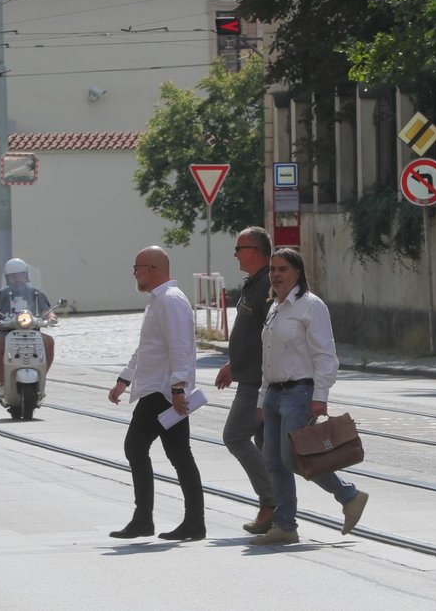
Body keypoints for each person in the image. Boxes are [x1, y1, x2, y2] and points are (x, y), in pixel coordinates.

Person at [252, 247, 369, 546]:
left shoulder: (310, 306)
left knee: (293, 459)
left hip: (299, 392)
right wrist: (261, 399)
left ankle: (349, 495)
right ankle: (285, 526)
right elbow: (269, 357)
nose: (276, 275)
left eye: (283, 269)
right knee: (273, 461)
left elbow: (325, 355)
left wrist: (320, 395)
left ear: (298, 273)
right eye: (273, 269)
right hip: (274, 393)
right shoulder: (275, 307)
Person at [108, 246, 205, 541]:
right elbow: (148, 348)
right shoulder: (157, 302)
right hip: (157, 388)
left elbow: (181, 348)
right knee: (179, 455)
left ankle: (144, 520)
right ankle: (192, 522)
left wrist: (178, 388)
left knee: (136, 448)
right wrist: (124, 379)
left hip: (161, 392)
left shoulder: (171, 301)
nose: (135, 273)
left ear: (152, 268)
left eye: (137, 267)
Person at [214, 227, 277, 535]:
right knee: (265, 446)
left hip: (258, 382)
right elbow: (253, 336)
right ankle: (277, 511)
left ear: (253, 250)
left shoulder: (267, 284)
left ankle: (271, 502)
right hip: (249, 376)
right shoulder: (256, 283)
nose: (236, 254)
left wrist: (265, 388)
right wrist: (232, 363)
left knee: (235, 436)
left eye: (238, 248)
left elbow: (272, 338)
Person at [0, 258, 56, 393]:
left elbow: (47, 311)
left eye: (19, 274)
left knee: (48, 341)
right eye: (12, 276)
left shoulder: (37, 294)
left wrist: (51, 319)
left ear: (26, 275)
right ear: (7, 278)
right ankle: (3, 382)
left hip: (32, 331)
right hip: (5, 332)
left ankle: (41, 377)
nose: (16, 278)